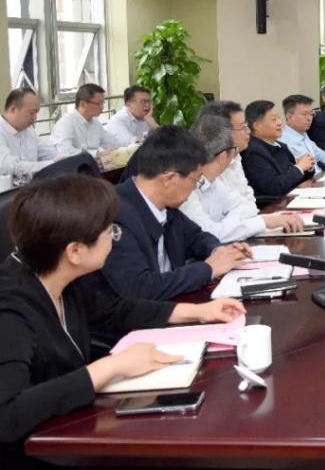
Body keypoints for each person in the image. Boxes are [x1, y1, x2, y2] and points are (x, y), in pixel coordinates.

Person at [0, 174, 245, 455]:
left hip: (72, 425)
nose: (115, 238)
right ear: (75, 251)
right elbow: (7, 414)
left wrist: (198, 312)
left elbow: (114, 310)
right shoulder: (9, 308)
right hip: (39, 449)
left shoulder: (58, 276)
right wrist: (112, 367)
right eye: (109, 232)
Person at [83, 126, 252, 301]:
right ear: (170, 179)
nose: (195, 187)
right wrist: (208, 269)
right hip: (139, 315)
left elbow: (196, 237)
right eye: (195, 180)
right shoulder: (113, 214)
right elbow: (140, 288)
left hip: (170, 305)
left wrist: (219, 251)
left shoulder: (166, 206)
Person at [180, 116, 303, 242]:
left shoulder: (214, 182)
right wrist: (263, 222)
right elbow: (207, 233)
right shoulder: (185, 188)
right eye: (233, 150)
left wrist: (228, 226)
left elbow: (245, 206)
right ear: (223, 156)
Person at [241, 100, 314, 199]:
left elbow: (295, 178)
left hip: (293, 197)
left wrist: (307, 167)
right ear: (256, 126)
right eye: (273, 119)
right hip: (273, 204)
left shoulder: (281, 146)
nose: (280, 123)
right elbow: (273, 188)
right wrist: (299, 167)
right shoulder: (253, 152)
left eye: (279, 118)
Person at [195, 100, 257, 209]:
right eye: (243, 127)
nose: (248, 131)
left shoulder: (235, 157)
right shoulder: (205, 165)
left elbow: (247, 198)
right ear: (221, 132)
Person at [49, 83, 126, 157]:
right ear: (82, 104)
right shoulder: (65, 123)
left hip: (90, 164)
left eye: (103, 103)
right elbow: (66, 152)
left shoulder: (95, 122)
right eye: (99, 103)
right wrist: (95, 154)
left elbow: (112, 144)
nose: (102, 107)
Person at [0, 88, 56, 181]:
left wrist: (63, 159)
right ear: (13, 110)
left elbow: (47, 152)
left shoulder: (29, 130)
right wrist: (52, 163)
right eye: (31, 113)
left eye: (36, 113)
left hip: (31, 186)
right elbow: (10, 167)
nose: (35, 118)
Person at [280, 94, 325, 176]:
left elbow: (322, 155)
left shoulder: (302, 134)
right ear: (289, 116)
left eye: (311, 114)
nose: (309, 118)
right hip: (310, 181)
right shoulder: (284, 142)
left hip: (320, 177)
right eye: (304, 114)